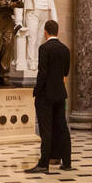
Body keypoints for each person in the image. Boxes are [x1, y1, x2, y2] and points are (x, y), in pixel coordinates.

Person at [27, 19, 71, 173]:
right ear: (57, 31)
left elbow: (43, 73)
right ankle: (66, 161)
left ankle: (43, 164)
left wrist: (36, 90)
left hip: (46, 94)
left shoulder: (44, 48)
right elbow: (66, 72)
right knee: (62, 128)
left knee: (46, 129)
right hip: (60, 93)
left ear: (45, 31)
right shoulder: (65, 49)